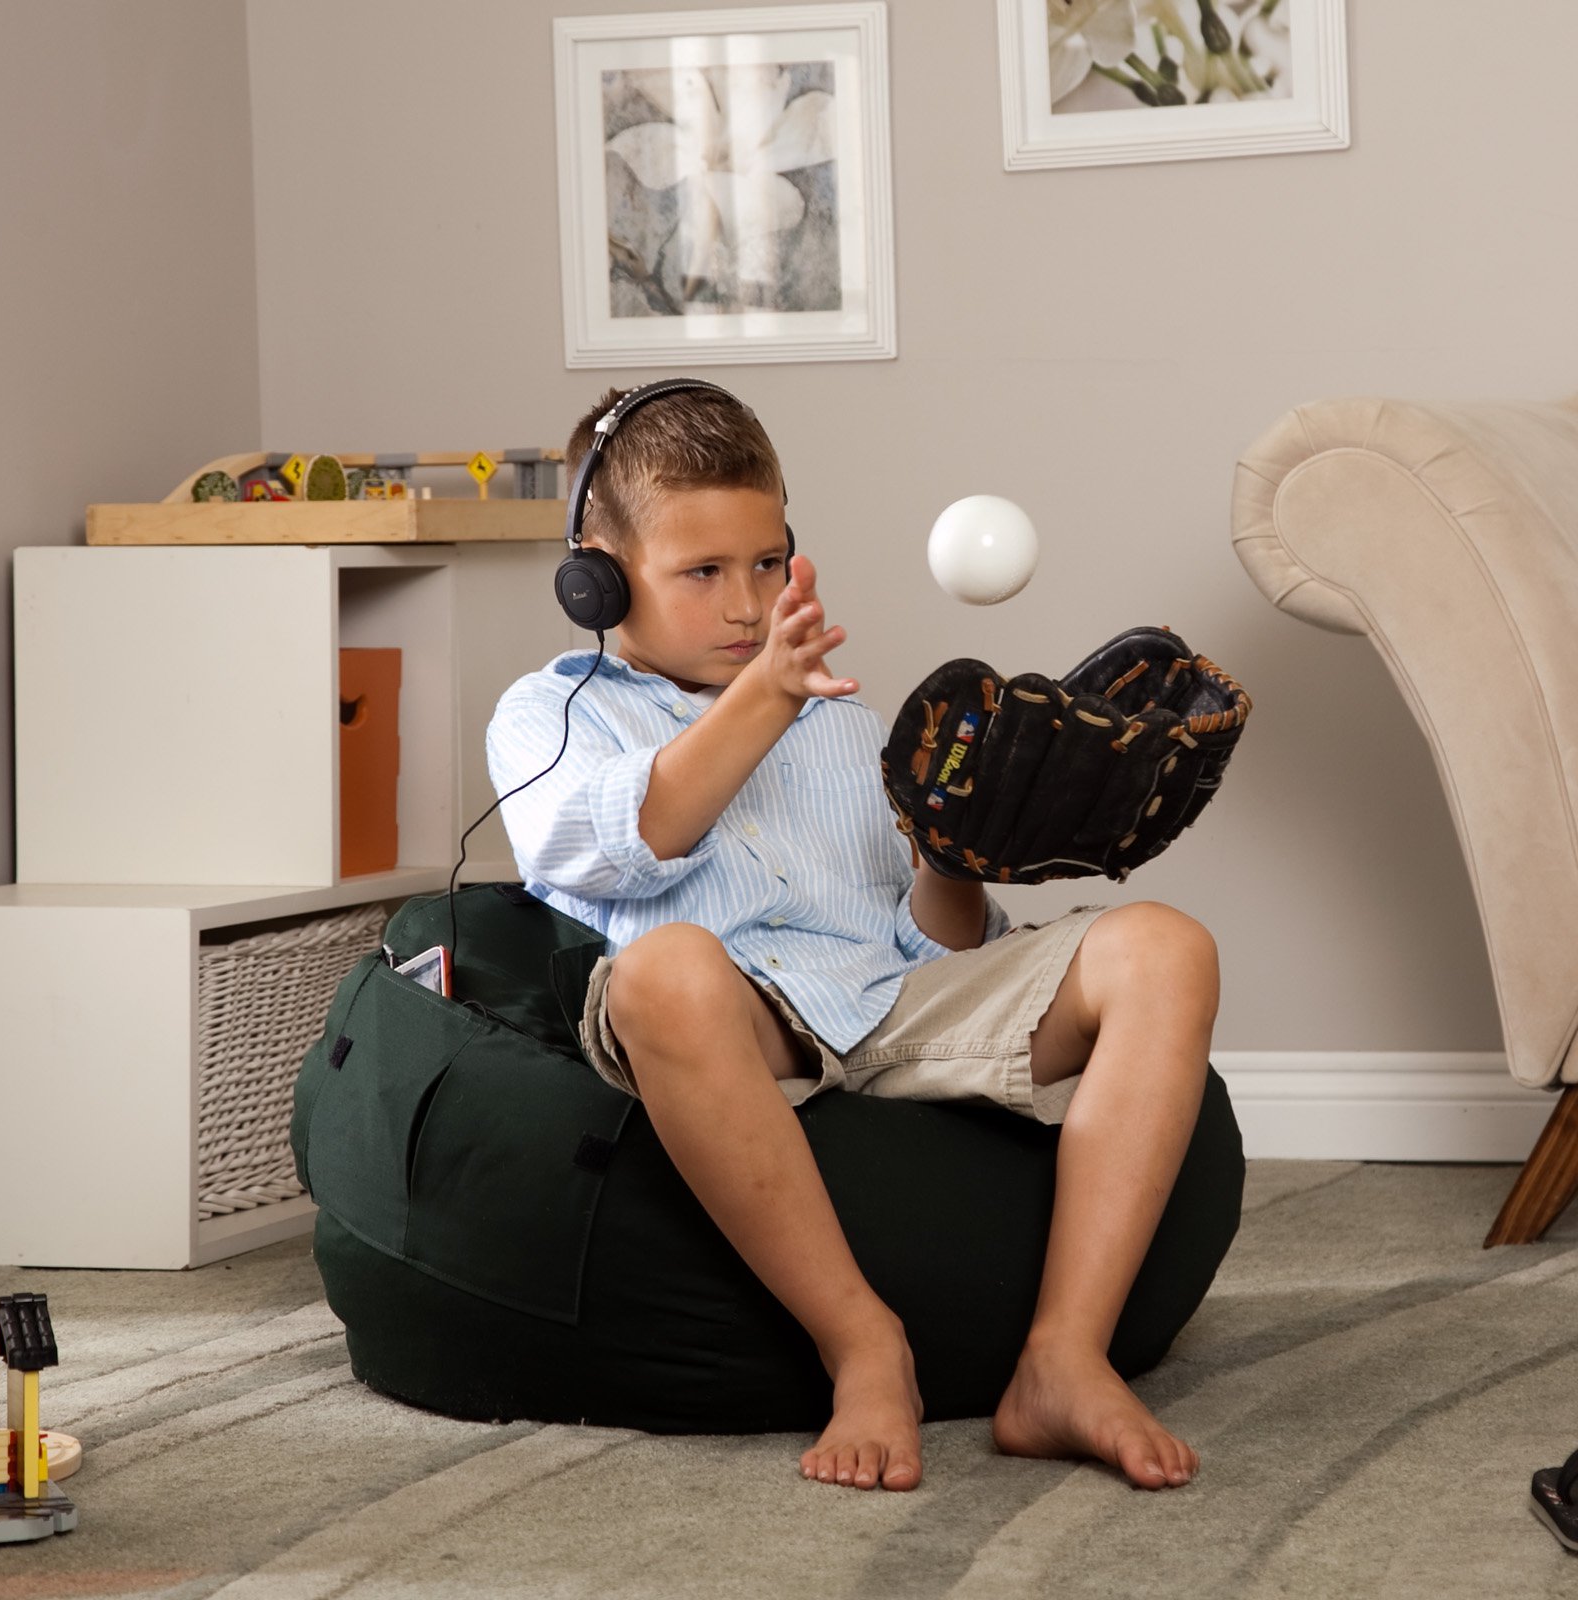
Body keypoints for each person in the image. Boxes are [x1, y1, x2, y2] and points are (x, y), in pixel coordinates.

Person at [487, 382, 1220, 1494]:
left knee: (1165, 944)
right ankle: (863, 1344)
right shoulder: (550, 716)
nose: (746, 602)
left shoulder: (840, 721)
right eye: (703, 572)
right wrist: (766, 700)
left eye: (768, 562)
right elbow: (628, 835)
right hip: (729, 1015)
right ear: (595, 572)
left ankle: (1062, 1360)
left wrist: (952, 854)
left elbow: (931, 951)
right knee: (664, 973)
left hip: (884, 1000)